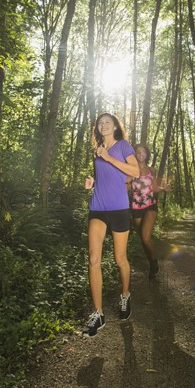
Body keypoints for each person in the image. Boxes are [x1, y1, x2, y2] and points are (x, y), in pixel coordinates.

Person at [83, 113, 140, 338]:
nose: (103, 125)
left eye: (108, 122)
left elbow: (135, 173)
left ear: (115, 125)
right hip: (97, 207)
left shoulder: (123, 146)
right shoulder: (98, 149)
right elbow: (110, 177)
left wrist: (107, 157)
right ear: (97, 128)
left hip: (118, 209)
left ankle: (125, 295)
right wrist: (92, 182)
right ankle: (98, 313)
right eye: (100, 123)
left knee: (119, 259)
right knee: (94, 259)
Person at [127, 144, 168, 280]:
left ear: (147, 154)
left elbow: (155, 188)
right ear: (135, 155)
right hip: (136, 209)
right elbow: (124, 186)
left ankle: (154, 263)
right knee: (143, 240)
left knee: (145, 237)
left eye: (143, 151)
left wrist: (164, 189)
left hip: (151, 206)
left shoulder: (152, 170)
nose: (141, 154)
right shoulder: (131, 171)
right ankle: (151, 261)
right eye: (138, 152)